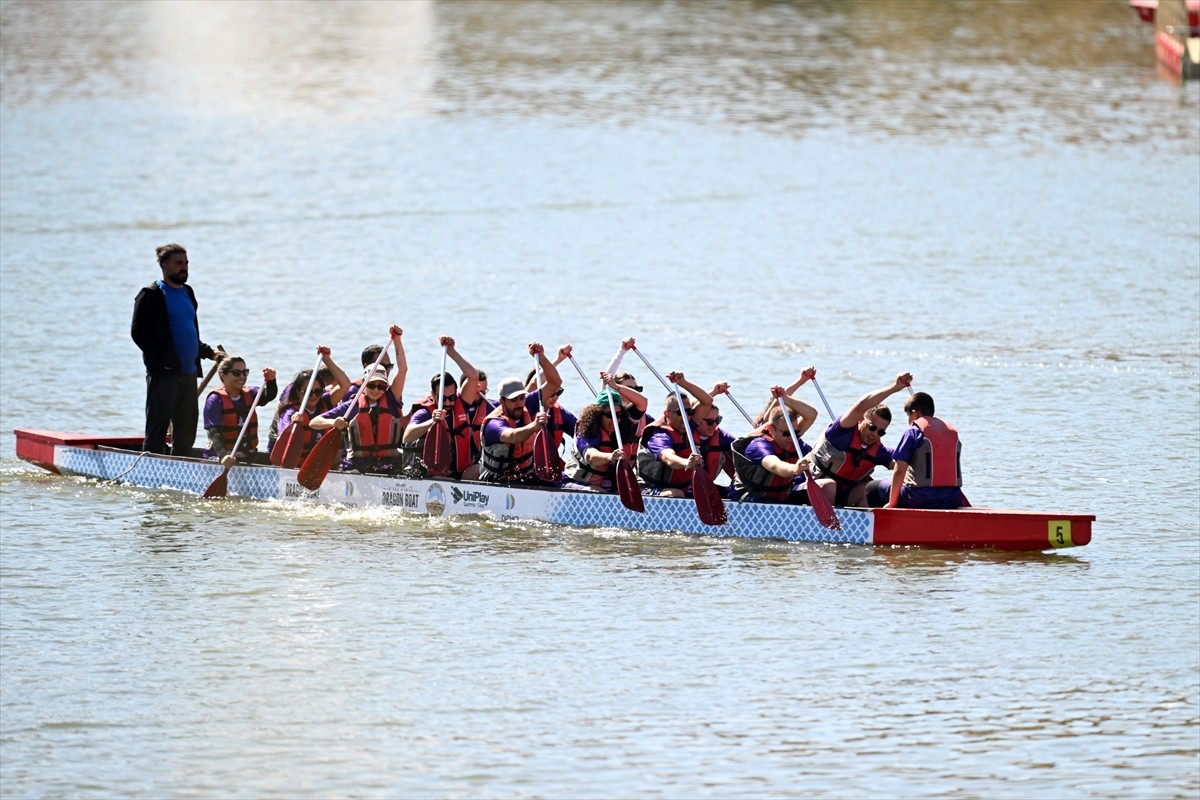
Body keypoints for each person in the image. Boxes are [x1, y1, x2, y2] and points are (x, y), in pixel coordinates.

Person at [131, 243, 224, 456]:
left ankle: (180, 467)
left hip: (189, 373)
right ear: (164, 265)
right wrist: (163, 360)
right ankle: (151, 465)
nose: (184, 267)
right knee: (158, 429)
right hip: (164, 374)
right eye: (178, 263)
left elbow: (189, 333)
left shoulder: (188, 293)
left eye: (186, 263)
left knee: (186, 430)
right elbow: (139, 333)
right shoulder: (151, 294)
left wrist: (209, 353)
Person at [309, 326, 408, 474]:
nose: (376, 390)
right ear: (364, 384)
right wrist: (333, 422)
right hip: (357, 465)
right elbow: (314, 422)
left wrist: (397, 340)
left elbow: (403, 369)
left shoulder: (391, 397)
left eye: (381, 386)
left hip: (388, 464)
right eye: (372, 385)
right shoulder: (353, 406)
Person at [804, 372, 911, 507]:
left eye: (881, 432)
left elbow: (902, 467)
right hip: (809, 488)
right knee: (829, 485)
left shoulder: (879, 452)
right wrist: (895, 388)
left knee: (872, 490)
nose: (874, 434)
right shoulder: (840, 432)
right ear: (860, 420)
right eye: (872, 427)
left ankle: (863, 526)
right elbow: (861, 405)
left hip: (844, 498)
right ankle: (827, 526)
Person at [867, 391, 967, 509]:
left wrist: (892, 503)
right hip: (952, 498)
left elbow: (899, 471)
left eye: (908, 417)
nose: (909, 422)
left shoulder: (913, 432)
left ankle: (888, 525)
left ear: (915, 414)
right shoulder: (951, 432)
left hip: (920, 497)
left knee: (871, 488)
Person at [402, 336, 484, 479]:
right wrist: (431, 422)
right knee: (441, 480)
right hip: (437, 476)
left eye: (451, 398)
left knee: (480, 470)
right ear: (434, 395)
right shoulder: (425, 412)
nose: (448, 403)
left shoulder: (462, 402)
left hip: (462, 471)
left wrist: (451, 351)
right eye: (443, 398)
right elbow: (407, 436)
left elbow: (473, 376)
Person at [478, 343, 555, 484]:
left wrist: (542, 357)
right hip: (495, 481)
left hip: (523, 477)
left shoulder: (527, 404)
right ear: (502, 401)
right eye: (513, 400)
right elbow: (513, 437)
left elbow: (555, 382)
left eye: (521, 398)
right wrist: (534, 425)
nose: (519, 404)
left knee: (552, 481)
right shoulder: (494, 424)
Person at [731, 386, 819, 504]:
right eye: (787, 433)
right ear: (771, 429)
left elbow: (811, 415)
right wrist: (795, 468)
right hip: (750, 500)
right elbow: (774, 466)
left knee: (826, 486)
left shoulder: (791, 437)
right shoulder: (758, 446)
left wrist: (786, 398)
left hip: (779, 498)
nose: (791, 438)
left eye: (795, 432)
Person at [635, 372, 713, 497]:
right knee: (676, 494)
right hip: (649, 488)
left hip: (682, 488)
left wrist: (683, 383)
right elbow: (669, 458)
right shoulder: (659, 436)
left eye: (689, 411)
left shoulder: (689, 425)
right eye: (680, 412)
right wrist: (686, 462)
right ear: (667, 414)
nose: (686, 416)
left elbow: (707, 402)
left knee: (711, 491)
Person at [267, 346, 351, 460]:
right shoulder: (290, 412)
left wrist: (326, 358)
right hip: (294, 465)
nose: (314, 396)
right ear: (297, 392)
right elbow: (284, 439)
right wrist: (293, 425)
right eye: (308, 392)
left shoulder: (325, 402)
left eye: (318, 391)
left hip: (317, 465)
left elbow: (345, 384)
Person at [562, 373, 637, 491]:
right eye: (609, 415)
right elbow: (591, 456)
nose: (615, 420)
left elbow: (642, 404)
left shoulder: (621, 432)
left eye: (618, 415)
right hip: (574, 482)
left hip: (604, 486)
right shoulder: (586, 432)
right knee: (596, 490)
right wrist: (611, 456)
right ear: (597, 415)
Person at [201, 356, 278, 466]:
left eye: (245, 372)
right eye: (236, 373)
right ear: (223, 375)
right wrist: (223, 456)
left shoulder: (251, 393)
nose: (242, 376)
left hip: (247, 455)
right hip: (222, 456)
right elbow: (215, 432)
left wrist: (271, 380)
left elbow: (269, 395)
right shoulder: (215, 400)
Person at [523, 344, 575, 458]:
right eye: (551, 392)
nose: (555, 398)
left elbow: (580, 430)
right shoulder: (526, 404)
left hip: (549, 465)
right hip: (525, 465)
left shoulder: (560, 413)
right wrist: (558, 359)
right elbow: (536, 382)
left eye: (558, 393)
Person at [693, 381, 736, 485]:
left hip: (704, 486)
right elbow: (692, 406)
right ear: (698, 419)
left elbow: (742, 448)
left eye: (718, 420)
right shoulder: (687, 431)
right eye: (710, 422)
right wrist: (713, 392)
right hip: (681, 488)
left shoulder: (721, 436)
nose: (714, 425)